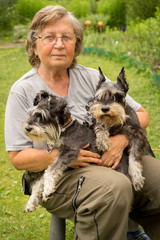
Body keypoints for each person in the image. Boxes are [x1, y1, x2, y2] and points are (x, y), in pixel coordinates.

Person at [5, 5, 160, 240]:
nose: (59, 44)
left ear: (75, 44)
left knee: (157, 181)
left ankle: (132, 230)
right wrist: (68, 156)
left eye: (66, 37)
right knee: (113, 188)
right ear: (34, 44)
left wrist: (120, 139)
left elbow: (142, 115)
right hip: (59, 173)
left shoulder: (90, 78)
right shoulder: (23, 91)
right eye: (49, 37)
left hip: (108, 158)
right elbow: (18, 159)